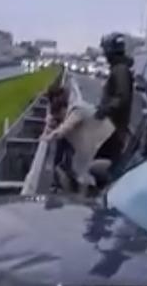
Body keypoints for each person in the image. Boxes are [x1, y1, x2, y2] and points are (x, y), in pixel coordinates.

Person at [43, 84, 114, 192]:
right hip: (98, 142)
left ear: (63, 109)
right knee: (87, 170)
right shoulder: (71, 111)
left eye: (59, 118)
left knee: (98, 169)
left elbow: (63, 129)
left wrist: (47, 137)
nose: (61, 121)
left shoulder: (76, 112)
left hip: (107, 141)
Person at [95, 32, 134, 169]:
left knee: (106, 165)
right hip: (111, 127)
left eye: (105, 50)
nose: (104, 54)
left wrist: (105, 109)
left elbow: (122, 97)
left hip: (113, 129)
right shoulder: (118, 68)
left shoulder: (120, 70)